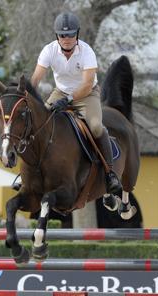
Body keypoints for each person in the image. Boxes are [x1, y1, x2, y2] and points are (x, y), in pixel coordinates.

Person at [30, 11, 122, 194]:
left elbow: (88, 83)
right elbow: (35, 80)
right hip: (60, 92)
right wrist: (29, 96)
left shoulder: (87, 51)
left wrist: (69, 100)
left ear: (77, 34)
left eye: (71, 34)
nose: (66, 39)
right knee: (38, 124)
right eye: (63, 35)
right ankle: (28, 173)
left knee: (96, 127)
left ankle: (110, 173)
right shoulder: (49, 50)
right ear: (57, 35)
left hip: (87, 95)